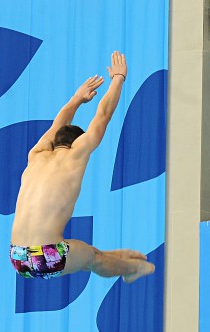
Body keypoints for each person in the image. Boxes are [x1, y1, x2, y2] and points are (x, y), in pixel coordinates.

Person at [10, 51, 155, 282]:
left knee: (87, 253)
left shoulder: (36, 155)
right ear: (76, 142)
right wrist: (118, 78)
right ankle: (130, 269)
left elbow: (58, 125)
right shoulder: (75, 154)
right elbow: (103, 115)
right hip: (47, 256)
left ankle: (121, 260)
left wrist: (76, 99)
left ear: (55, 141)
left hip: (17, 258)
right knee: (92, 259)